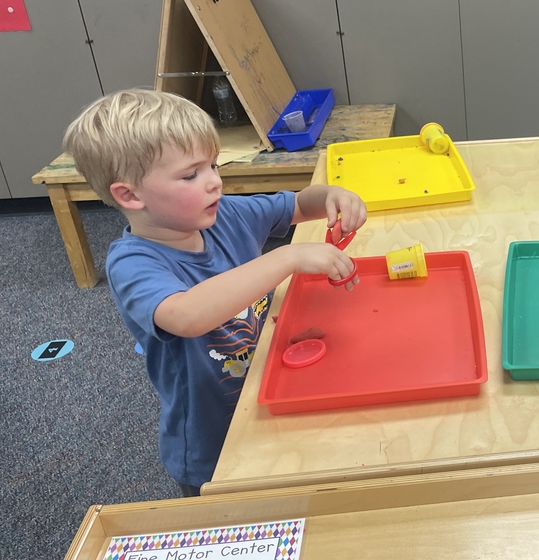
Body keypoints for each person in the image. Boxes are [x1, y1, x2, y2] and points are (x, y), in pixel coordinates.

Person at [63, 89, 367, 496]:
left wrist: (332, 195)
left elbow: (297, 205)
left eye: (212, 164)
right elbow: (187, 316)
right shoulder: (133, 263)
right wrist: (286, 258)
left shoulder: (225, 215)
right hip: (212, 439)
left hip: (267, 391)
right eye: (191, 175)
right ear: (130, 195)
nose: (214, 182)